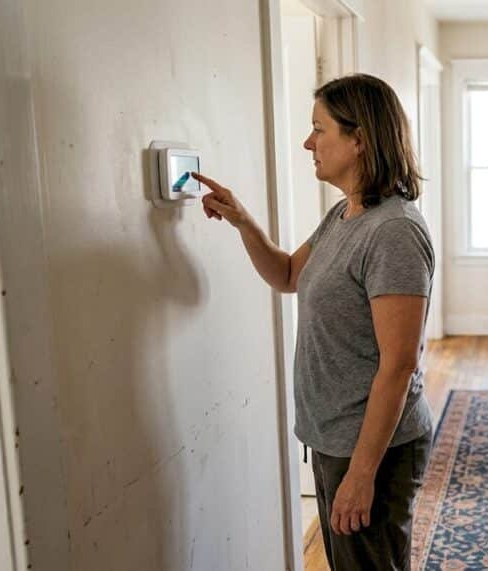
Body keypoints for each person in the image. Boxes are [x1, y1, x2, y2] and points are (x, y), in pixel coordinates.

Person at [192, 73, 434, 570]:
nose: (308, 142)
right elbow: (285, 274)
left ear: (360, 138)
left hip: (373, 449)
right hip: (336, 440)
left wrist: (362, 474)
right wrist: (242, 220)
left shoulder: (393, 233)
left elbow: (399, 365)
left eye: (319, 129)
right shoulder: (346, 216)